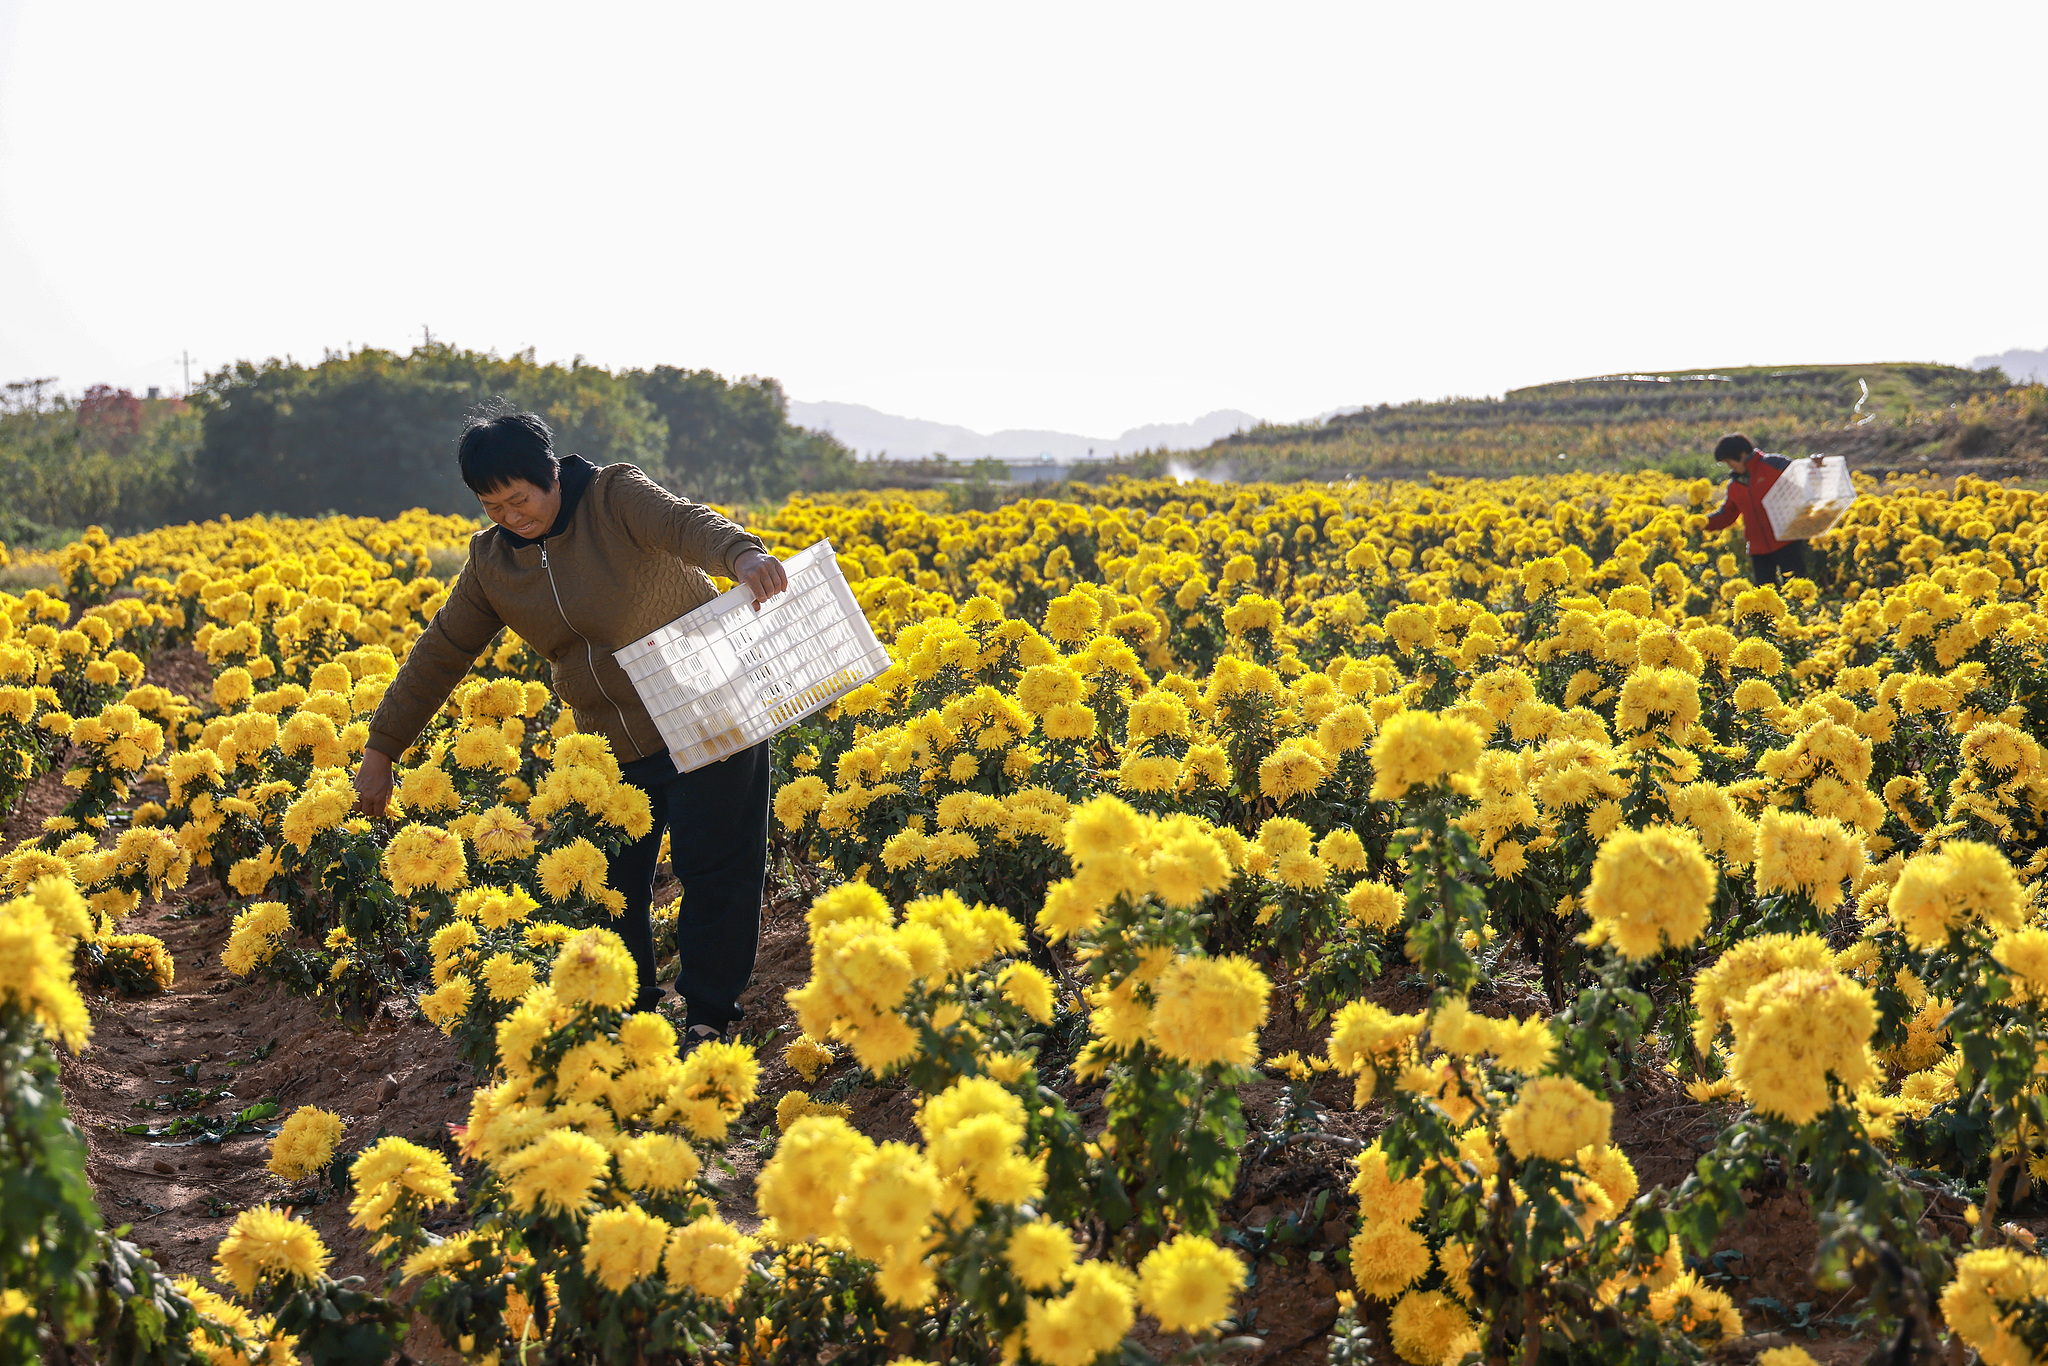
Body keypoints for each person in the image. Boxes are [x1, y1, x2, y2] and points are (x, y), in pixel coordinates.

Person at [351, 411, 788, 1046]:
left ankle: (707, 1017)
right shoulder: (494, 563)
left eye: (519, 498)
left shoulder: (615, 498)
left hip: (705, 708)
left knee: (714, 868)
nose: (510, 516)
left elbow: (684, 523)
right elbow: (441, 651)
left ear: (551, 475)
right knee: (604, 883)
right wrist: (382, 747)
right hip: (611, 741)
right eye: (492, 505)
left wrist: (741, 554)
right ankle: (626, 1015)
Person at [1704, 433, 1808, 587]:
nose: (1729, 465)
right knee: (1764, 601)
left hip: (1787, 541)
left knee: (1797, 591)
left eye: (1729, 460)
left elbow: (1802, 472)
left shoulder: (1773, 464)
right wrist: (1703, 523)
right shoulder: (1734, 485)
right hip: (1758, 550)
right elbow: (1727, 514)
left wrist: (1816, 463)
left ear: (1741, 453)